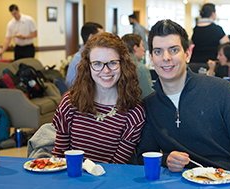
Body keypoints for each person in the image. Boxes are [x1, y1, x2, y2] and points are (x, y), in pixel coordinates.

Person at [136, 19, 230, 172]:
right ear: (151, 58)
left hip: (226, 180)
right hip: (178, 186)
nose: (166, 57)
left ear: (188, 54)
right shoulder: (149, 105)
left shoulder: (220, 90)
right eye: (158, 51)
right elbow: (145, 155)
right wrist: (166, 160)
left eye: (174, 50)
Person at [52, 32, 145, 164]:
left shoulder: (134, 112)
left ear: (123, 64)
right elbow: (59, 158)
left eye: (112, 63)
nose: (106, 71)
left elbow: (117, 166)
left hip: (109, 181)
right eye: (97, 64)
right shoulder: (70, 102)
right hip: (70, 178)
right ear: (88, 66)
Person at [66, 22, 103, 88]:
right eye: (100, 36)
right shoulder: (82, 58)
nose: (103, 40)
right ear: (91, 37)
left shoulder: (79, 55)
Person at [121, 33, 154, 98]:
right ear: (135, 48)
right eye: (142, 45)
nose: (143, 49)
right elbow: (148, 96)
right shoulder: (141, 68)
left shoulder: (118, 65)